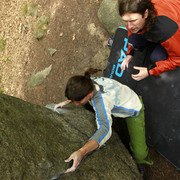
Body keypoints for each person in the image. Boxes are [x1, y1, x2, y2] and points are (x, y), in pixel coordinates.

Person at [54, 68, 153, 174]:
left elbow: (105, 129)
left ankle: (138, 163)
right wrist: (68, 101)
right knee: (86, 105)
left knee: (140, 153)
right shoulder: (87, 82)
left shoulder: (101, 101)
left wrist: (82, 152)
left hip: (133, 109)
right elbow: (82, 94)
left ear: (89, 95)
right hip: (119, 96)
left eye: (77, 101)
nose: (76, 104)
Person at [118, 0, 180, 81]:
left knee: (157, 57)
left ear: (146, 13)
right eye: (125, 21)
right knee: (133, 40)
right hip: (159, 21)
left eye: (133, 21)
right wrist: (130, 53)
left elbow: (178, 59)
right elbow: (131, 29)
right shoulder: (136, 7)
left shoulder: (167, 30)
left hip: (174, 33)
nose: (129, 26)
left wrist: (150, 71)